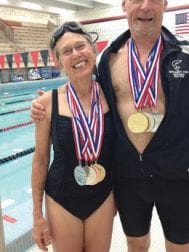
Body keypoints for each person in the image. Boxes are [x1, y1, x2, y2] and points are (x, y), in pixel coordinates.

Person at [31, 0, 189, 252]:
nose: (145, 6)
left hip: (176, 176)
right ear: (124, 3)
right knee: (136, 245)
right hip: (129, 178)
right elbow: (83, 97)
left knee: (180, 247)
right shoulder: (108, 60)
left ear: (166, 3)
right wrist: (45, 103)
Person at [31, 21, 115, 252]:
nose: (76, 54)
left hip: (103, 195)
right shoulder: (47, 103)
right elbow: (40, 159)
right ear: (58, 61)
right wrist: (38, 216)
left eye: (81, 46)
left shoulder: (112, 94)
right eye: (67, 51)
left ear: (93, 49)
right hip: (62, 198)